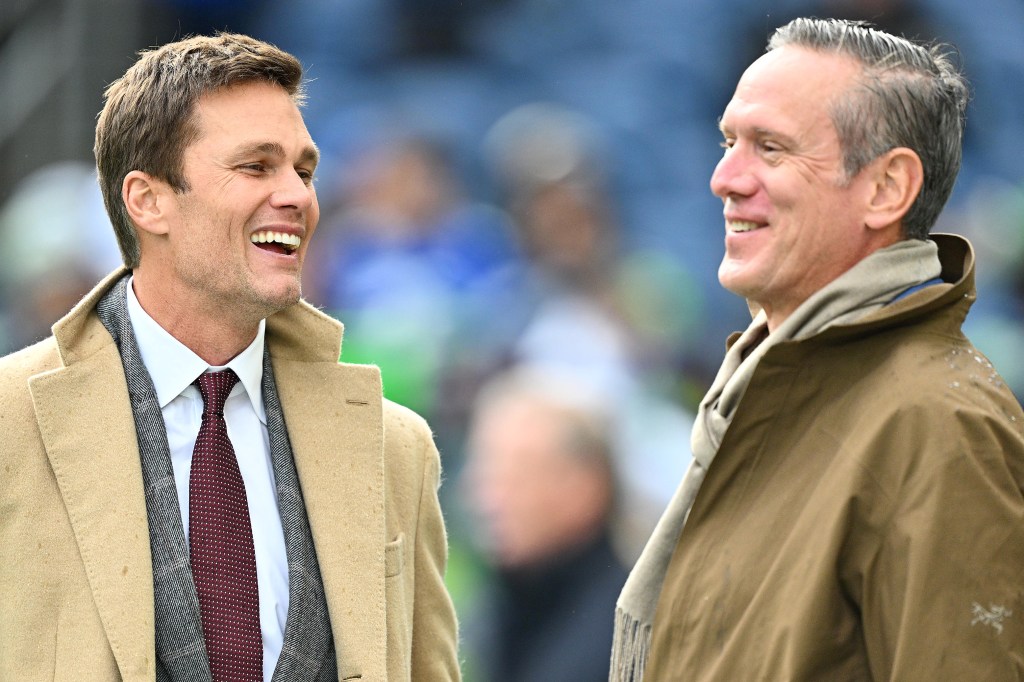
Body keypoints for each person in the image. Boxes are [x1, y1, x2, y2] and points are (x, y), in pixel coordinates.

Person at [0, 33, 459, 681]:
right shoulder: (9, 426)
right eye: (255, 166)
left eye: (304, 170)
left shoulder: (396, 448)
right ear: (148, 200)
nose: (298, 196)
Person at [610, 17, 1024, 681]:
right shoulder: (767, 393)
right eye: (728, 142)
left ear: (887, 189)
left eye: (770, 148)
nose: (724, 178)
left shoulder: (940, 426)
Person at [461, 367, 629, 682]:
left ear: (584, 488)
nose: (488, 499)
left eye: (516, 476)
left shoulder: (627, 638)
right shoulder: (493, 613)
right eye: (485, 472)